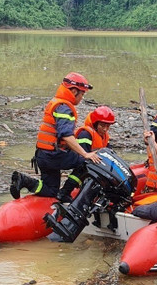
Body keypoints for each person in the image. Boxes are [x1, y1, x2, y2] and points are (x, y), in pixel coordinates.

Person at [10, 72, 100, 201]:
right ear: (74, 91)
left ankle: (24, 180)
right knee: (86, 163)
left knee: (51, 190)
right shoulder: (64, 108)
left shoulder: (57, 103)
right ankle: (66, 192)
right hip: (53, 155)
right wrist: (85, 154)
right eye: (82, 94)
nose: (81, 98)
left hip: (42, 155)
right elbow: (66, 135)